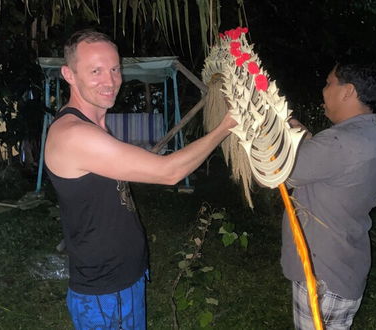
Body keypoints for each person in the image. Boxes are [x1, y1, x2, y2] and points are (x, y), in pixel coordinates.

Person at [44, 29, 236, 329]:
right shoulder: (74, 135)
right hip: (104, 292)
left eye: (114, 69)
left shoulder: (94, 127)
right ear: (69, 74)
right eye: (95, 71)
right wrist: (227, 125)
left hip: (123, 279)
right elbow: (169, 172)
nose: (109, 81)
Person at [282, 63, 376, 329]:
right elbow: (329, 166)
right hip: (346, 262)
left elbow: (284, 173)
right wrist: (302, 134)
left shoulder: (339, 143)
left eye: (329, 83)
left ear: (348, 91)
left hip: (322, 275)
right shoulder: (374, 137)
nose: (324, 90)